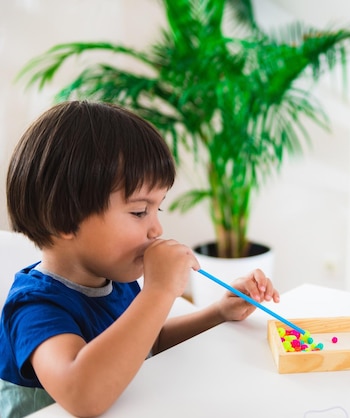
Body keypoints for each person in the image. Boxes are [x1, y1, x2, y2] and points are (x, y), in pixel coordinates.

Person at [0, 101, 280, 418]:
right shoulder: (35, 307)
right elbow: (83, 395)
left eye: (156, 209)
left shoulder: (114, 282)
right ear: (65, 220)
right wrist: (158, 291)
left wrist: (218, 312)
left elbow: (149, 341)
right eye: (138, 212)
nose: (156, 228)